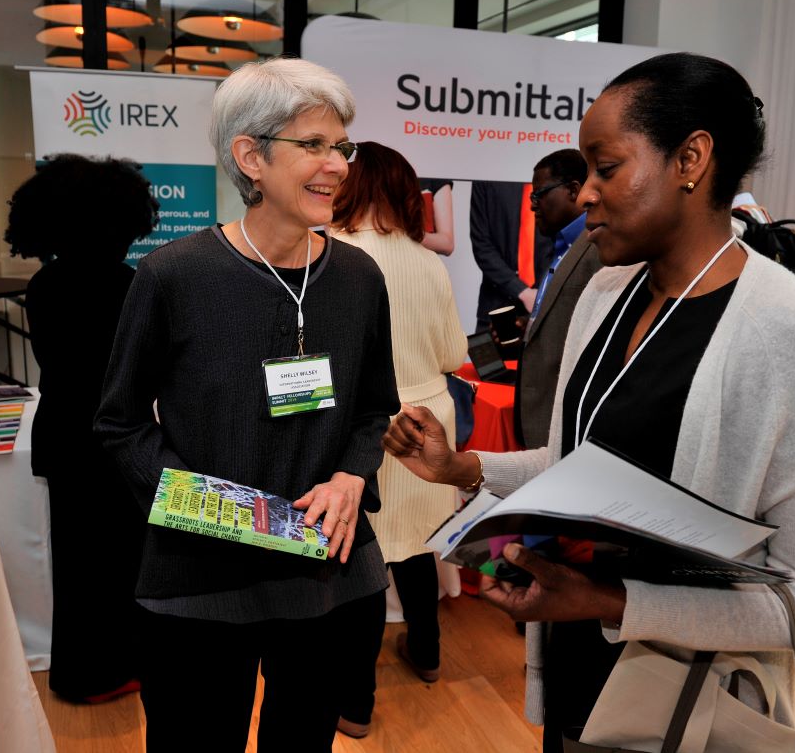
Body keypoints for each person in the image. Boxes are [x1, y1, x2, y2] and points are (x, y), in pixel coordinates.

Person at [382, 52, 795, 752]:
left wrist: (609, 600)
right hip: (583, 664)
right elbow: (578, 461)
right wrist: (463, 468)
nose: (583, 195)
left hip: (693, 703)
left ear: (691, 158)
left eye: (605, 168)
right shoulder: (607, 293)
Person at [94, 58, 399, 752]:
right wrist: (209, 509)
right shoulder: (173, 275)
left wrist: (353, 476)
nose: (338, 165)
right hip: (201, 580)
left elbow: (375, 407)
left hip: (324, 580)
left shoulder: (357, 276)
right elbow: (120, 422)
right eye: (314, 145)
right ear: (250, 157)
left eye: (341, 147)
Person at [5, 153, 158, 704]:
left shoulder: (45, 284)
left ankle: (83, 672)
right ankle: (111, 669)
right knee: (121, 558)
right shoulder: (127, 284)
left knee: (77, 562)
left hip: (66, 437)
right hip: (117, 441)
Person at [329, 141, 467, 737]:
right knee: (419, 544)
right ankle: (429, 654)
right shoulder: (426, 261)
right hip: (426, 420)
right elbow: (454, 355)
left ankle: (355, 705)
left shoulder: (328, 255)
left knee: (363, 556)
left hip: (360, 425)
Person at [514, 148, 602, 449]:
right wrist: (529, 329)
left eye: (539, 195)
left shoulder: (599, 250)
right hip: (537, 420)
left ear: (574, 190)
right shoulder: (556, 246)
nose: (533, 206)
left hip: (564, 424)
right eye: (531, 197)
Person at [469, 179, 552, 330]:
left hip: (547, 307)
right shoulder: (485, 173)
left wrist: (543, 292)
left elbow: (564, 241)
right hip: (495, 307)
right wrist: (522, 291)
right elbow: (481, 244)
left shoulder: (556, 172)